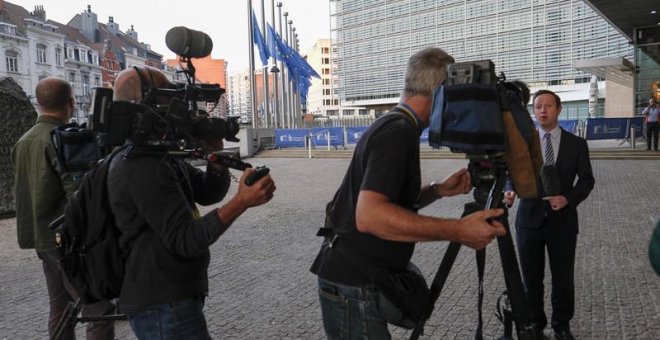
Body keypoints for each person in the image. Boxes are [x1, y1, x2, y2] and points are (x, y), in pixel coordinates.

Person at [309, 47, 507, 339]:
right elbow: (371, 217)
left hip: (356, 280)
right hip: (354, 284)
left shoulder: (397, 124)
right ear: (441, 92)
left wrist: (438, 190)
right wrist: (458, 230)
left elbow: (387, 200)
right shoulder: (398, 131)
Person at [106, 66, 276, 339]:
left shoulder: (155, 155)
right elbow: (185, 239)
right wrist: (241, 202)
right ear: (144, 106)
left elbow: (206, 193)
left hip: (171, 299)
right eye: (167, 100)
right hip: (162, 305)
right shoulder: (141, 165)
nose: (178, 109)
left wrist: (217, 163)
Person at [12, 77, 115, 339]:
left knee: (60, 306)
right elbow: (79, 195)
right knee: (99, 309)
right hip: (67, 240)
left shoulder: (23, 141)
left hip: (41, 238)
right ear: (71, 103)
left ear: (38, 102)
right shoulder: (65, 138)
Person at [505, 90, 595, 340]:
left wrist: (568, 198)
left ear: (558, 109)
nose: (542, 110)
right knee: (531, 280)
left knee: (562, 279)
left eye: (548, 106)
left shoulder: (576, 144)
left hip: (563, 223)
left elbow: (587, 180)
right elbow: (511, 174)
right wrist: (510, 190)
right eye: (538, 107)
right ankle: (534, 323)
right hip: (529, 222)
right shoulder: (523, 144)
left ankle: (561, 325)